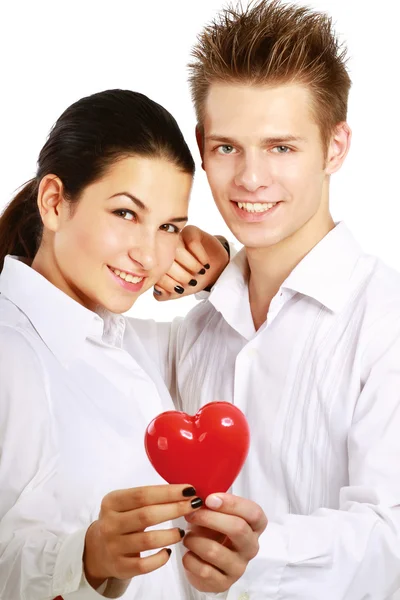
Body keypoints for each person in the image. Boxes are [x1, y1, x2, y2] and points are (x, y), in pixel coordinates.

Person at [162, 1, 400, 598]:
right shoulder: (194, 331)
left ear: (335, 147)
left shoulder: (386, 321)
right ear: (201, 144)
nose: (249, 179)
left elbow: (391, 535)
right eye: (226, 148)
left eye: (282, 148)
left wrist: (262, 552)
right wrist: (149, 254)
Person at [0, 89, 266, 599]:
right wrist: (86, 556)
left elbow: (259, 341)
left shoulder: (133, 344)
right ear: (55, 202)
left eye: (169, 226)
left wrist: (222, 268)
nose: (148, 254)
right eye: (125, 213)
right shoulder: (12, 357)